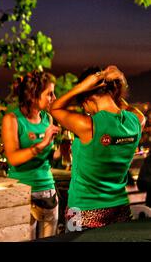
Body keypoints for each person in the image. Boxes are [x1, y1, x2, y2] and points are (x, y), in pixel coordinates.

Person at [50, 65, 145, 231]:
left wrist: (81, 87)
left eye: (83, 106)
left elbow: (55, 108)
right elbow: (129, 110)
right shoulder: (136, 121)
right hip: (119, 208)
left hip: (82, 211)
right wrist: (119, 81)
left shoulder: (89, 125)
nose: (86, 111)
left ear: (87, 99)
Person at [2, 71, 61, 239]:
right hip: (23, 192)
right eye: (49, 94)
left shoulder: (47, 119)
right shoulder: (13, 119)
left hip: (48, 191)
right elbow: (13, 158)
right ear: (34, 96)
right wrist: (42, 143)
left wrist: (62, 152)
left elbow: (46, 157)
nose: (54, 98)